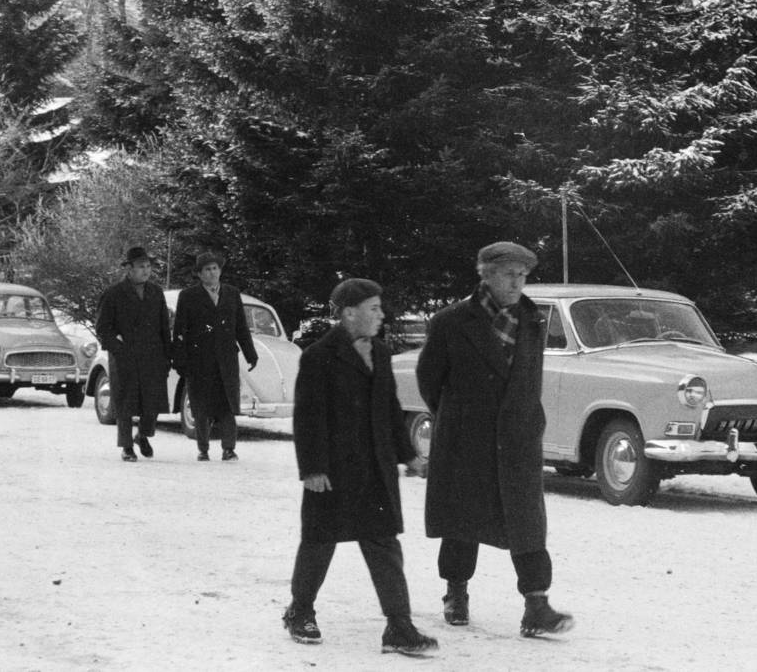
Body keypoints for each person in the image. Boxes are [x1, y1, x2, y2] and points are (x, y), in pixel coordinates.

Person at [415, 241, 574, 638]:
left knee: (526, 520)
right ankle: (456, 593)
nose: (517, 282)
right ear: (484, 274)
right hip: (467, 435)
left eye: (523, 275)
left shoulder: (533, 320)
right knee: (461, 519)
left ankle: (536, 606)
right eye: (508, 274)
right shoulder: (451, 321)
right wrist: (459, 415)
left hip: (518, 435)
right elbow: (429, 380)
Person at [283, 278, 436, 655]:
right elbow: (308, 417)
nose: (382, 315)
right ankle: (300, 611)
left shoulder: (381, 353)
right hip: (333, 471)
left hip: (375, 468)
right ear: (349, 313)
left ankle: (399, 626)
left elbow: (388, 409)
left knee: (384, 545)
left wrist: (409, 454)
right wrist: (313, 468)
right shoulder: (318, 356)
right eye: (374, 309)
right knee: (320, 542)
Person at [172, 252, 258, 461]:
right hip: (198, 360)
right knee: (201, 405)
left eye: (215, 268)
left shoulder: (232, 294)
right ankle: (203, 449)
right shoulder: (188, 296)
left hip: (226, 359)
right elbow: (180, 330)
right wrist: (180, 360)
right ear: (200, 274)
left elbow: (241, 327)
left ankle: (229, 449)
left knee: (227, 405)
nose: (212, 273)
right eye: (207, 269)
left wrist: (250, 354)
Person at [95, 246, 173, 463]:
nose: (146, 271)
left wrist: (168, 354)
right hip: (125, 357)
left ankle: (143, 435)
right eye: (141, 267)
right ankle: (127, 446)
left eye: (148, 266)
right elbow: (102, 328)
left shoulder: (155, 291)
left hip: (153, 356)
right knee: (125, 403)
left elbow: (164, 326)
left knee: (152, 402)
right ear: (128, 268)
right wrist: (118, 349)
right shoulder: (113, 293)